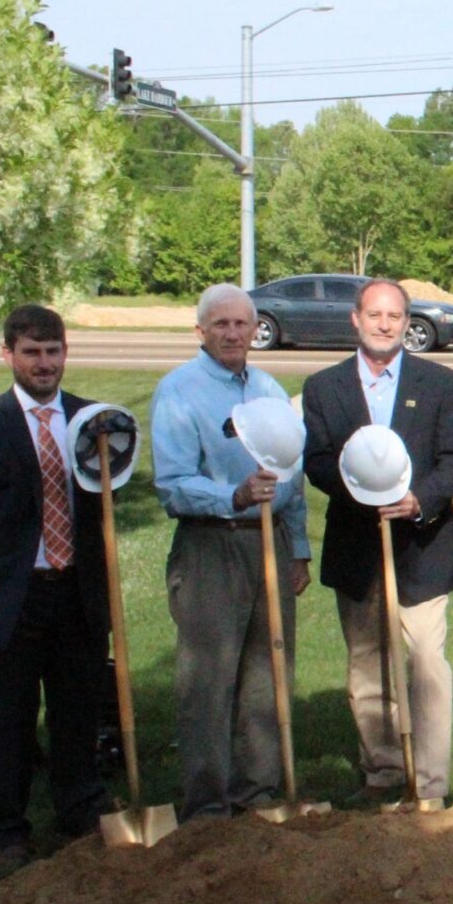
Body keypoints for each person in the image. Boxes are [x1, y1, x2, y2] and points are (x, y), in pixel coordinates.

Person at [0, 304, 114, 865]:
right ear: (8, 354)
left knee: (77, 710)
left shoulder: (93, 421)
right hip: (8, 598)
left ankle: (78, 808)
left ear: (66, 353)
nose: (44, 363)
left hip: (76, 593)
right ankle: (9, 827)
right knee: (7, 718)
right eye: (32, 352)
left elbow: (108, 496)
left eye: (53, 351)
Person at [302, 279, 453, 805]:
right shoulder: (324, 387)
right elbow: (316, 460)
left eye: (394, 316)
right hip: (357, 547)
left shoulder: (440, 383)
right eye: (374, 315)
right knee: (368, 664)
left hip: (422, 546)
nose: (384, 324)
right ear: (355, 319)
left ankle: (430, 785)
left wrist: (419, 499)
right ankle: (383, 774)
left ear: (406, 322)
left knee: (426, 661)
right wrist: (360, 490)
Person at [148, 284, 312, 821]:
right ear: (200, 331)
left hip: (270, 541)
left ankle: (257, 794)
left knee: (269, 672)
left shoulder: (267, 388)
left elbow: (292, 472)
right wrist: (232, 496)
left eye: (242, 324)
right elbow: (173, 484)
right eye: (221, 324)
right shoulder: (179, 392)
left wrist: (298, 548)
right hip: (211, 545)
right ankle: (208, 806)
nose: (233, 333)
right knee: (209, 680)